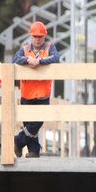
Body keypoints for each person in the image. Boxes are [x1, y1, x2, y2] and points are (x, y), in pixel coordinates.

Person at [12, 21, 60, 158]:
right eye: (35, 36)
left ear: (45, 36)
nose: (37, 39)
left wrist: (39, 62)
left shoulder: (50, 47)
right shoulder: (25, 49)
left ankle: (18, 140)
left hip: (43, 94)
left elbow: (56, 58)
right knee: (29, 125)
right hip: (27, 93)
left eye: (40, 36)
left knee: (36, 123)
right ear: (31, 36)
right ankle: (33, 151)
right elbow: (14, 59)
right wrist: (28, 60)